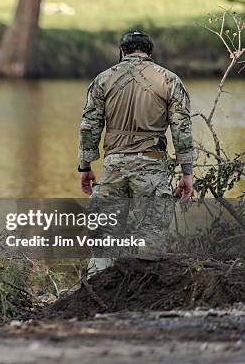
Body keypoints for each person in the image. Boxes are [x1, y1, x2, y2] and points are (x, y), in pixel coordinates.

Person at [78, 30, 195, 263]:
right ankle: (145, 293)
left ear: (122, 51)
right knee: (151, 237)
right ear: (150, 52)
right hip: (151, 167)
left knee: (104, 239)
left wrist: (85, 166)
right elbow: (182, 128)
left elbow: (89, 126)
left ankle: (95, 290)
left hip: (113, 166)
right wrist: (187, 173)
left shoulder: (102, 79)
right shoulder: (169, 80)